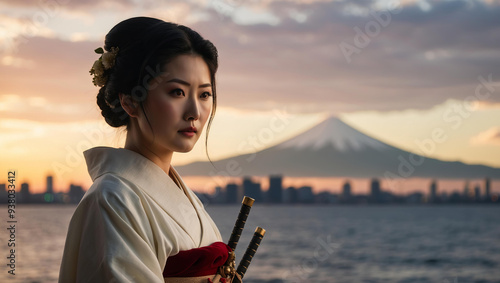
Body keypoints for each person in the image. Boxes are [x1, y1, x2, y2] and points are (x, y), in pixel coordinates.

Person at [58, 17, 238, 283]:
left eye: (204, 94)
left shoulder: (182, 195)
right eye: (177, 92)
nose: (194, 113)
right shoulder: (111, 199)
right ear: (130, 102)